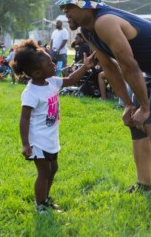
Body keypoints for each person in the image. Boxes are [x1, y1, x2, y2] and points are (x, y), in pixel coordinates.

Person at [57, 0, 151, 193]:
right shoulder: (88, 30)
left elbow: (129, 65)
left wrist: (145, 106)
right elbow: (108, 66)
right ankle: (143, 184)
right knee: (134, 121)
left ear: (86, 5)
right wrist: (128, 104)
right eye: (64, 8)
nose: (65, 12)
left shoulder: (105, 22)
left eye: (69, 7)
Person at [12, 39, 95, 214]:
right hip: (38, 140)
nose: (53, 64)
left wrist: (85, 66)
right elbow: (24, 119)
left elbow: (71, 79)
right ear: (37, 72)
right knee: (44, 172)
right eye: (49, 63)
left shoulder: (52, 82)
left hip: (50, 136)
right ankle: (40, 205)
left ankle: (45, 199)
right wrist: (25, 143)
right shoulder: (31, 93)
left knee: (53, 168)